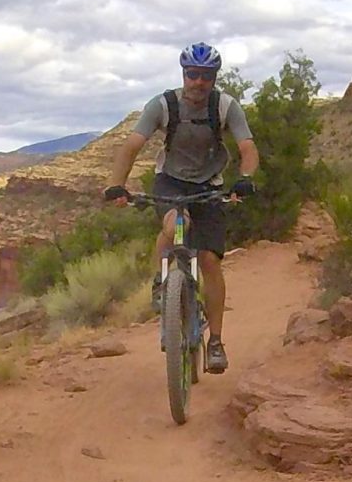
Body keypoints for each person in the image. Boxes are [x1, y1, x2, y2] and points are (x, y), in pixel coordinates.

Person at [103, 42, 259, 374]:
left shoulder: (225, 106)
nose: (198, 82)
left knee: (209, 261)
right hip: (170, 181)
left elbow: (247, 147)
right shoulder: (163, 105)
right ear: (183, 74)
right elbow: (132, 145)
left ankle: (215, 342)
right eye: (192, 74)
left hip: (210, 186)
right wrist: (116, 184)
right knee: (175, 222)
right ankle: (163, 282)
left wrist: (245, 178)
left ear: (214, 77)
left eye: (205, 76)